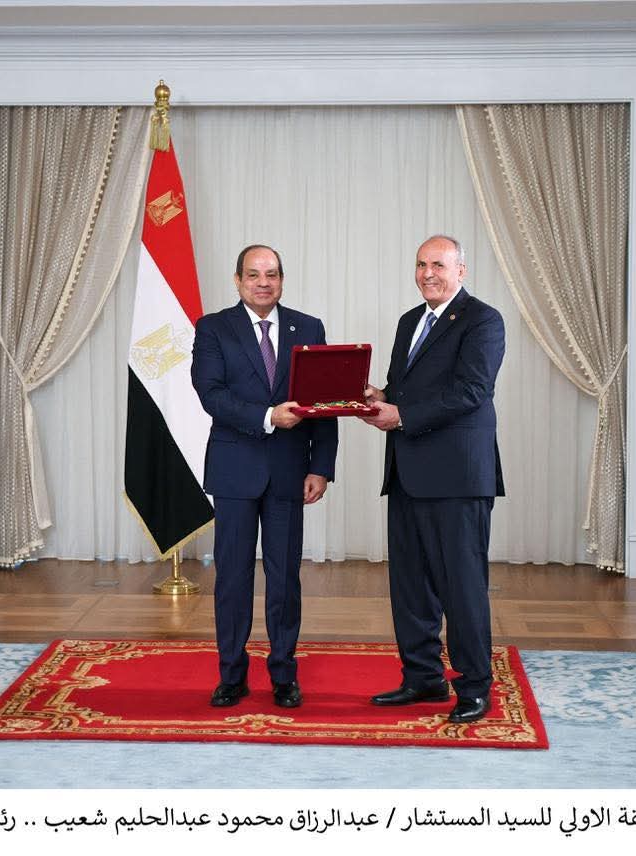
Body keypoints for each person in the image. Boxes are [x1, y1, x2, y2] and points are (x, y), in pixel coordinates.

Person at [359, 234, 505, 724]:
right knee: (411, 587)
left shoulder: (483, 320)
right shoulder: (409, 321)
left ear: (461, 270)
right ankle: (422, 677)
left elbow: (471, 391)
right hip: (407, 473)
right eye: (421, 264)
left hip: (457, 477)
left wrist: (400, 415)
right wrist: (376, 396)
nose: (428, 274)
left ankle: (474, 686)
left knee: (462, 587)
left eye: (439, 265)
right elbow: (405, 389)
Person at [191, 244, 338, 710]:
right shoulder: (213, 328)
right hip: (234, 471)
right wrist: (268, 416)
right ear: (237, 280)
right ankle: (231, 675)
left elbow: (325, 400)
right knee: (232, 579)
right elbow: (210, 394)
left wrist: (321, 466)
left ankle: (284, 675)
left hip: (290, 473)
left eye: (271, 274)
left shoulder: (308, 327)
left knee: (284, 579)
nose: (263, 283)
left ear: (282, 279)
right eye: (253, 275)